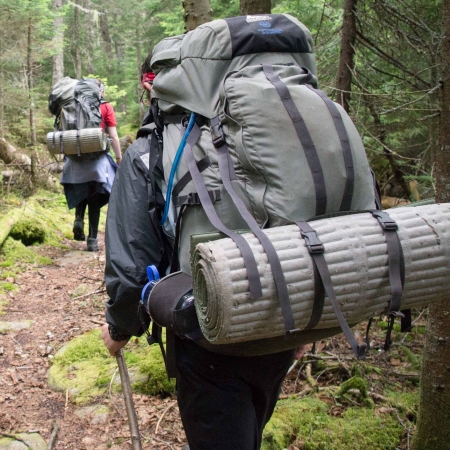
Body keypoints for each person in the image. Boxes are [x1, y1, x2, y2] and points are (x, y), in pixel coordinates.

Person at [100, 55, 306, 450]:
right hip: (284, 321)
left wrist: (119, 329)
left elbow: (131, 265)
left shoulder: (149, 151)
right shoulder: (268, 139)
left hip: (206, 333)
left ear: (151, 87)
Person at [60, 78, 122, 252]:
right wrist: (118, 158)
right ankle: (92, 239)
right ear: (100, 91)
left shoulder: (71, 105)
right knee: (96, 197)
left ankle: (78, 218)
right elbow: (114, 136)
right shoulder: (106, 107)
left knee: (81, 189)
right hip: (97, 161)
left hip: (74, 161)